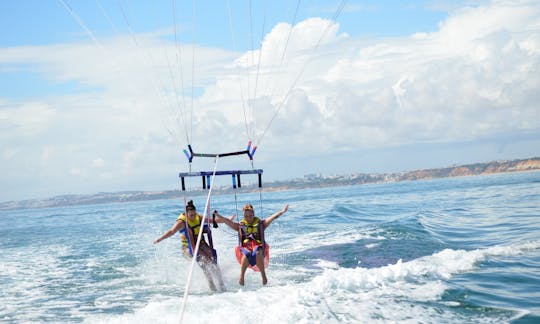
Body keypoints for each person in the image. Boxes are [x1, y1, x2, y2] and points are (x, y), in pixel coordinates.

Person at [154, 200, 226, 292]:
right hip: (188, 247)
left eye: (194, 214)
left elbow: (213, 221)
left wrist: (226, 220)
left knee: (212, 257)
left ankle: (221, 283)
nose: (193, 217)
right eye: (191, 215)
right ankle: (212, 286)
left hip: (200, 243)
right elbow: (171, 231)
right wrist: (160, 239)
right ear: (186, 214)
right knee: (204, 261)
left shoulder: (198, 217)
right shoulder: (181, 222)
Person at [214, 203, 288, 286]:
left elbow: (272, 218)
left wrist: (282, 211)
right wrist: (217, 215)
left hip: (259, 247)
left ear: (254, 215)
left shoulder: (261, 224)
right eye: (246, 216)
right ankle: (242, 276)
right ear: (244, 216)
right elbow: (226, 221)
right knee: (246, 255)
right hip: (245, 248)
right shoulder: (240, 226)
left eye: (250, 216)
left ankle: (263, 275)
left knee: (256, 253)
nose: (249, 218)